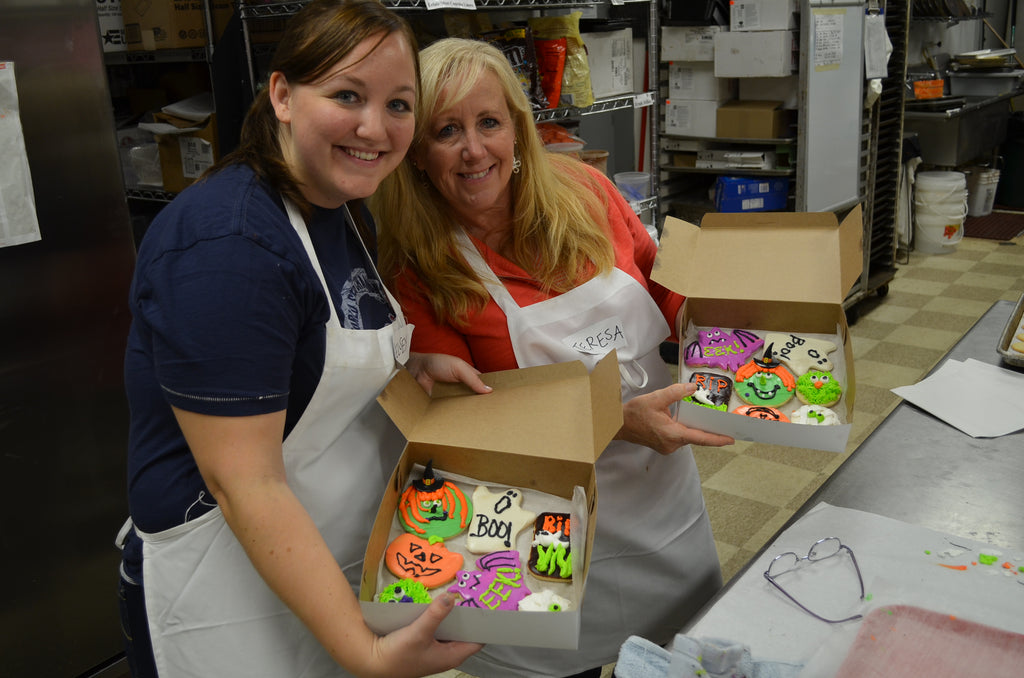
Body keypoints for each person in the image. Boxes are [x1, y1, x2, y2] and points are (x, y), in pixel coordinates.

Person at [117, 3, 486, 677]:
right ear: (283, 96)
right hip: (225, 585)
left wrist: (410, 367)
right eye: (347, 95)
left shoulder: (339, 209)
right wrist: (365, 651)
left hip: (323, 564)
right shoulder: (228, 248)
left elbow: (307, 361)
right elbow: (244, 482)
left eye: (398, 104)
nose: (375, 128)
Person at [371, 37, 735, 678]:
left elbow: (664, 281)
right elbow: (465, 429)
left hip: (659, 507)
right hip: (537, 531)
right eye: (446, 131)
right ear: (418, 155)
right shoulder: (419, 269)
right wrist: (619, 421)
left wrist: (725, 316)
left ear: (518, 126)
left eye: (489, 122)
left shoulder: (587, 192)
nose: (474, 149)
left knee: (675, 658)